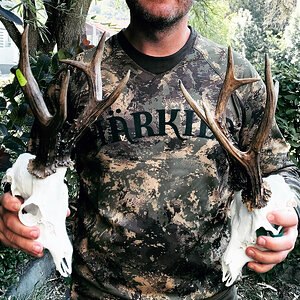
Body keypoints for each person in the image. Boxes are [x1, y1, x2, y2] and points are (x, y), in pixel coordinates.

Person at [0, 0, 299, 299]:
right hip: (98, 293)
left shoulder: (237, 79)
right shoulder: (78, 78)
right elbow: (35, 176)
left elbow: (279, 170)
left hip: (211, 292)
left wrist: (288, 212)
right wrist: (14, 211)